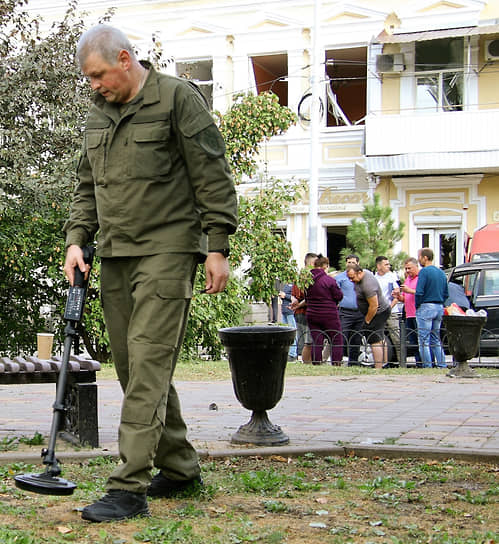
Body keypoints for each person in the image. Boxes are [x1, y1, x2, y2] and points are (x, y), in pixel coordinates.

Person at [63, 25, 238, 522]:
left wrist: (217, 248)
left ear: (124, 58)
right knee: (133, 367)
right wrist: (77, 240)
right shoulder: (100, 114)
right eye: (88, 79)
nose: (94, 85)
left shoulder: (178, 99)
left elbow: (213, 175)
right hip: (116, 256)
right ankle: (180, 467)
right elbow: (85, 185)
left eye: (98, 75)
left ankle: (128, 486)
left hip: (168, 250)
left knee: (146, 365)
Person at [346, 263, 391, 369]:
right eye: (349, 278)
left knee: (373, 339)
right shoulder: (364, 274)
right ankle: (384, 363)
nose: (351, 280)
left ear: (360, 272)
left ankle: (378, 367)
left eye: (352, 277)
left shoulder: (368, 285)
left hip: (378, 313)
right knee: (380, 338)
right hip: (379, 311)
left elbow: (374, 306)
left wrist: (367, 321)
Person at [305, 255, 343, 365]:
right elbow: (338, 296)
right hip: (329, 314)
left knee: (317, 340)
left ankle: (316, 362)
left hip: (312, 313)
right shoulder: (329, 280)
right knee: (336, 338)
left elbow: (306, 297)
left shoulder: (307, 281)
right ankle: (336, 362)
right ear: (325, 266)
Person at [415, 248, 449, 368]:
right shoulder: (441, 272)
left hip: (426, 306)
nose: (418, 259)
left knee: (424, 339)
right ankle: (441, 364)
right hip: (439, 306)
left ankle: (427, 366)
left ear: (425, 258)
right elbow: (446, 293)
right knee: (435, 338)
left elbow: (419, 291)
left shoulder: (424, 272)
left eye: (419, 256)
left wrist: (417, 305)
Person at [335, 254, 364, 365]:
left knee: (356, 339)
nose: (351, 264)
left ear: (358, 263)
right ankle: (338, 361)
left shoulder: (362, 276)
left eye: (353, 262)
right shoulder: (340, 277)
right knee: (341, 337)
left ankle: (353, 363)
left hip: (359, 312)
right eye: (349, 262)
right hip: (345, 312)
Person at [394, 257, 421, 366]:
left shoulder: (420, 278)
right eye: (406, 269)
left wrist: (408, 290)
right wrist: (398, 296)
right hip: (409, 314)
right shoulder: (408, 280)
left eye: (409, 268)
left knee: (421, 340)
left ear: (416, 266)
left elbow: (421, 293)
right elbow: (405, 298)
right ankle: (418, 362)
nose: (407, 271)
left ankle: (425, 362)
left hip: (418, 313)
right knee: (413, 341)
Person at [290, 252, 317, 363]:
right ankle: (306, 361)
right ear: (311, 263)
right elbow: (307, 296)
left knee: (303, 338)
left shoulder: (299, 276)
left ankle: (302, 359)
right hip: (305, 311)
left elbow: (293, 294)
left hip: (298, 311)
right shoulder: (307, 277)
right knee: (307, 340)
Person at [374, 256, 401, 362]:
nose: (388, 266)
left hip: (391, 311)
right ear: (379, 266)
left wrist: (389, 308)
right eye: (386, 264)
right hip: (378, 311)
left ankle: (401, 361)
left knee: (396, 337)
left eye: (389, 264)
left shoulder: (392, 277)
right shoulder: (374, 278)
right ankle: (382, 362)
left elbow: (397, 295)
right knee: (379, 337)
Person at [279, 282, 298, 361]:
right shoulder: (285, 284)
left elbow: (295, 299)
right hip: (284, 311)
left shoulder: (294, 284)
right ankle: (287, 352)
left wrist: (285, 296)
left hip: (290, 311)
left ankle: (292, 354)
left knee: (293, 332)